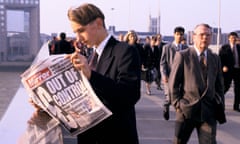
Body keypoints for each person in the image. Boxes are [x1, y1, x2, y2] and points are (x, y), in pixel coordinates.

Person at [67, 3, 141, 144]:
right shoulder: (91, 57)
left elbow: (130, 96)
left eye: (81, 30)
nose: (78, 38)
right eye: (75, 32)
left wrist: (91, 75)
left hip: (114, 137)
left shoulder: (125, 51)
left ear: (98, 23)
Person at [168, 23, 226, 144]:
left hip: (208, 112)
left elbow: (219, 85)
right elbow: (173, 84)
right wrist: (178, 105)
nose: (205, 37)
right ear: (194, 37)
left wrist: (220, 104)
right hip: (186, 110)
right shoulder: (183, 56)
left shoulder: (215, 58)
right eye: (201, 35)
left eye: (208, 35)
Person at [160, 26, 188, 120]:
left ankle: (180, 115)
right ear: (174, 35)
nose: (179, 36)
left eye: (181, 34)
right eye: (177, 34)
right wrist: (164, 75)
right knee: (169, 97)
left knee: (180, 97)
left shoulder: (186, 48)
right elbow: (163, 63)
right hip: (169, 76)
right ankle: (165, 107)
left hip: (182, 77)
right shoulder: (167, 47)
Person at [219, 32, 240, 112]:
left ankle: (236, 106)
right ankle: (219, 103)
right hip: (228, 71)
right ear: (229, 38)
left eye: (235, 37)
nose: (233, 39)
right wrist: (223, 66)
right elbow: (220, 58)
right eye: (231, 38)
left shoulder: (239, 47)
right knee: (225, 87)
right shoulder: (225, 48)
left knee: (238, 89)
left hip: (237, 70)